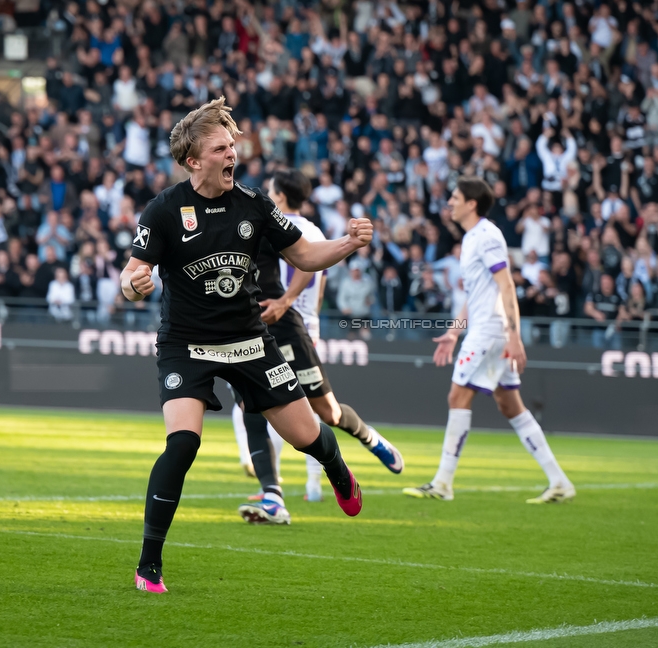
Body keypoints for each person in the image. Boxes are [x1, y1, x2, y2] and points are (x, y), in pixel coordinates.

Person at [122, 98, 371, 594]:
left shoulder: (256, 205)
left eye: (233, 144)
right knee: (183, 443)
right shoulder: (165, 209)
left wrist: (346, 243)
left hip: (249, 339)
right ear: (194, 160)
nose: (232, 152)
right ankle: (149, 564)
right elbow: (131, 275)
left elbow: (304, 253)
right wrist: (135, 286)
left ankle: (338, 467)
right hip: (186, 343)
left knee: (306, 435)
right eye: (220, 147)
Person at [231, 169, 404, 525]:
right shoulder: (272, 221)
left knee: (325, 412)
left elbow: (307, 264)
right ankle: (273, 492)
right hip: (264, 325)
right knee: (253, 404)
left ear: (278, 194)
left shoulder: (301, 229)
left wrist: (289, 302)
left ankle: (369, 440)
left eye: (271, 189)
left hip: (293, 327)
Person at [403, 177, 574, 504]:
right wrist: (454, 331)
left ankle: (442, 483)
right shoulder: (470, 239)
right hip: (485, 329)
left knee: (457, 397)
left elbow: (506, 285)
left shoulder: (488, 235)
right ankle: (559, 481)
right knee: (510, 405)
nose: (449, 202)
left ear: (471, 203)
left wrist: (514, 335)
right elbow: (474, 293)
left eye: (454, 197)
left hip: (490, 331)